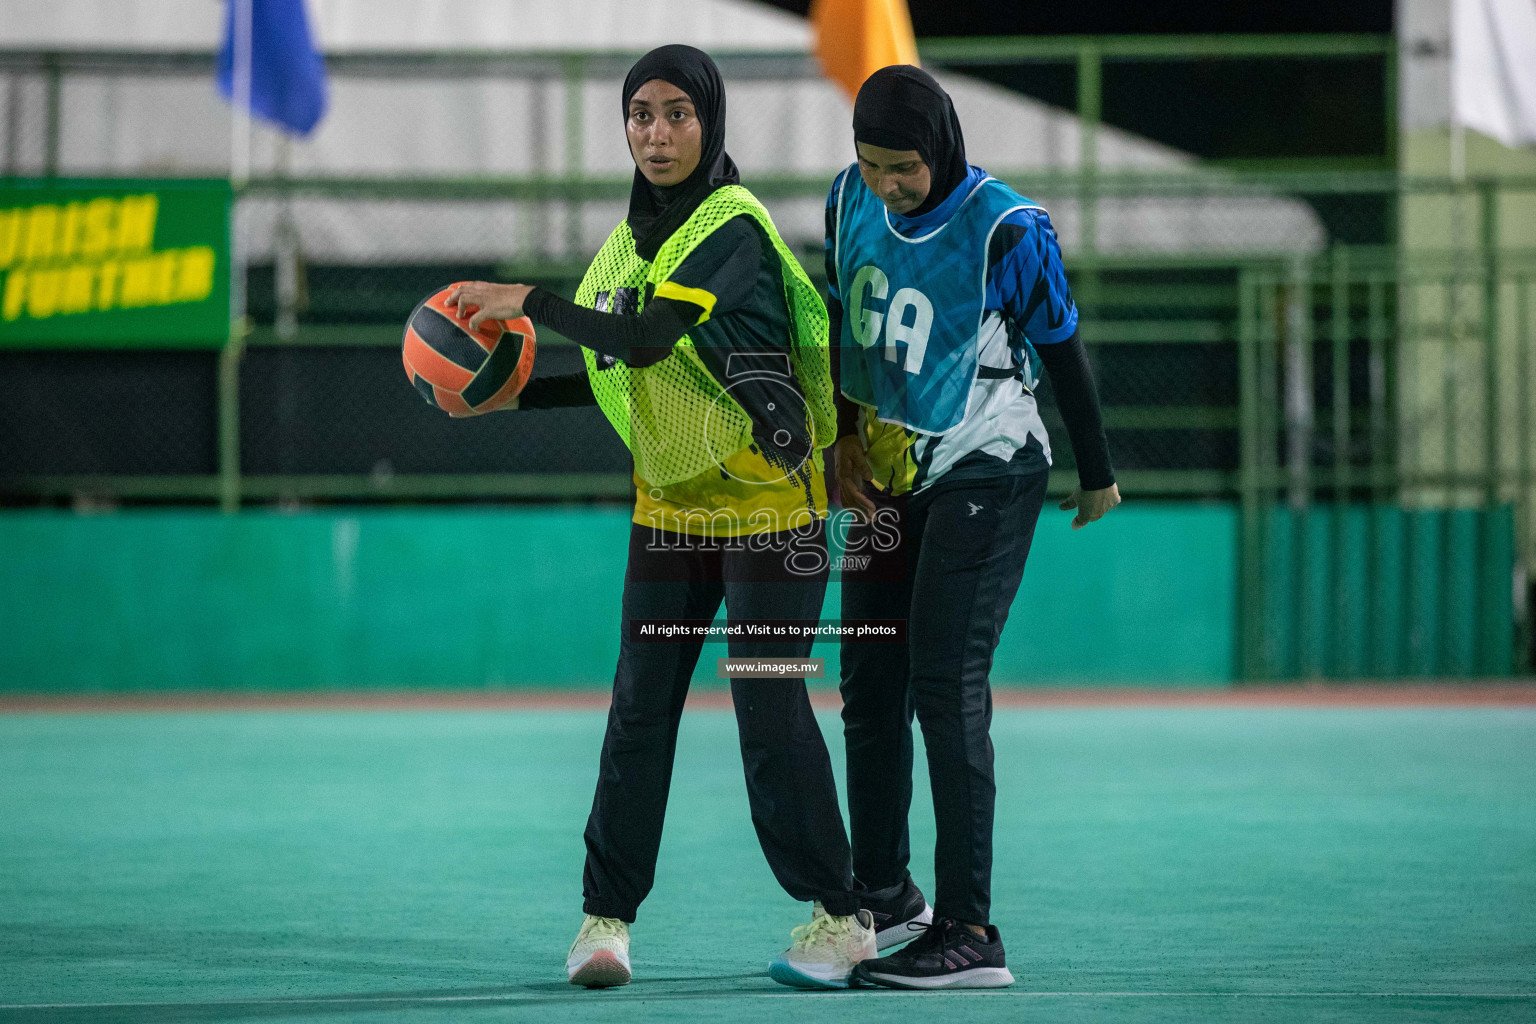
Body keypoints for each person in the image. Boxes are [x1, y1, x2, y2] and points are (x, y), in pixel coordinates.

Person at [446, 45, 875, 990]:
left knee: (767, 709)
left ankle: (843, 916)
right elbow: (624, 370)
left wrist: (531, 300)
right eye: (640, 113)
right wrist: (503, 400)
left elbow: (645, 339)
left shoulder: (733, 230)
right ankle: (605, 924)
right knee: (639, 710)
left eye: (678, 113)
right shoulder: (629, 246)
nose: (657, 133)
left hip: (773, 513)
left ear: (710, 122)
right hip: (673, 513)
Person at [825, 65, 1121, 989]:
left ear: (942, 146)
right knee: (868, 684)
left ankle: (969, 931)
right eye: (872, 164)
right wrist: (838, 441)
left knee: (943, 683)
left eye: (903, 167)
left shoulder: (1006, 228)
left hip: (987, 464)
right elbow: (840, 322)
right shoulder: (847, 201)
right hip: (885, 472)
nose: (887, 183)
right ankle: (883, 895)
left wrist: (1099, 469)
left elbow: (1062, 340)